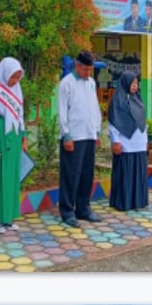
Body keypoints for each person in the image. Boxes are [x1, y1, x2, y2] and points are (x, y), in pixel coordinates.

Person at [57, 49, 103, 226]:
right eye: (85, 69)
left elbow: (94, 108)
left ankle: (83, 208)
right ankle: (67, 212)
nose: (88, 73)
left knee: (86, 175)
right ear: (77, 66)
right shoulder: (66, 84)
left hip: (89, 135)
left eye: (91, 70)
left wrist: (97, 131)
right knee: (71, 175)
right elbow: (62, 111)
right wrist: (66, 135)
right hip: (73, 137)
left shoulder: (91, 83)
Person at [0, 57, 28, 231]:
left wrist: (24, 137)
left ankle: (8, 216)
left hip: (14, 135)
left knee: (11, 176)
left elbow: (20, 115)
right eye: (12, 77)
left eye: (18, 77)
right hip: (0, 134)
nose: (15, 80)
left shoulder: (17, 89)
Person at [108, 71, 149, 211]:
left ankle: (138, 201)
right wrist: (115, 141)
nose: (135, 86)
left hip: (139, 142)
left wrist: (145, 139)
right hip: (124, 142)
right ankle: (123, 202)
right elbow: (113, 122)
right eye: (132, 83)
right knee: (125, 173)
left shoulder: (138, 99)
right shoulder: (117, 100)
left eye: (136, 83)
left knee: (138, 173)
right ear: (125, 82)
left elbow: (143, 121)